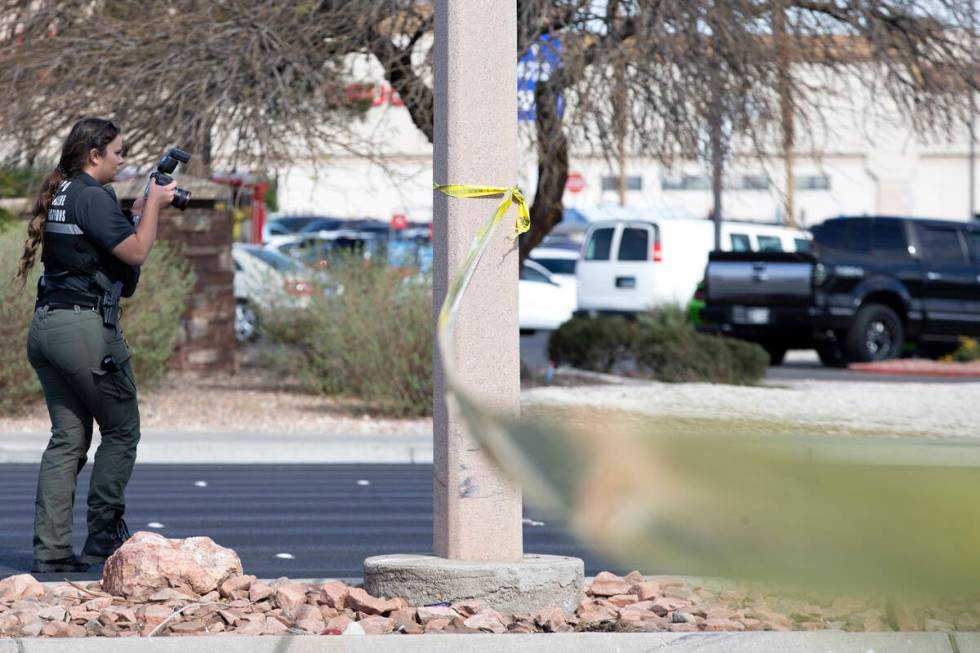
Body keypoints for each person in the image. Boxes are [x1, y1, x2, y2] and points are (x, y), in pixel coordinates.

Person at [15, 117, 176, 573]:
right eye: (118, 152)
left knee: (68, 438)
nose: (123, 160)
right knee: (122, 431)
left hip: (47, 326)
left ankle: (51, 551)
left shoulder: (66, 192)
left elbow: (95, 246)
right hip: (83, 331)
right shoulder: (91, 195)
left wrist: (138, 207)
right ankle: (102, 540)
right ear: (94, 155)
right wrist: (156, 208)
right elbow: (136, 253)